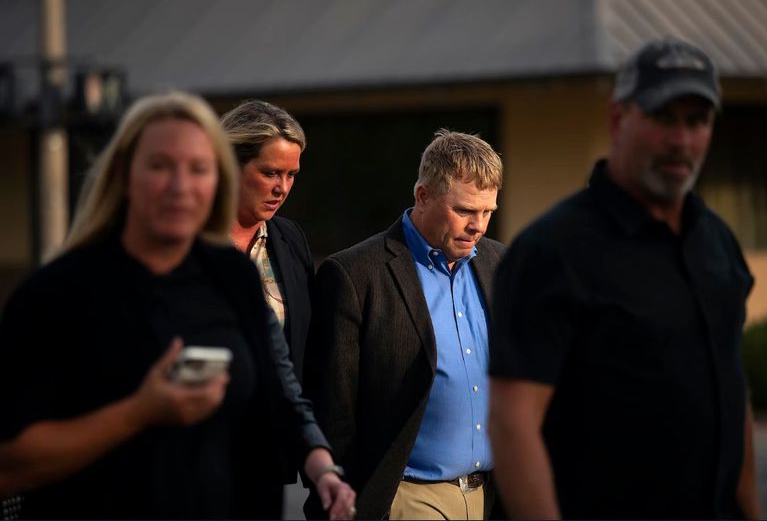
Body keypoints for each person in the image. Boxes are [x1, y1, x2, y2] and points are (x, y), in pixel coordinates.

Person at [0, 91, 355, 519]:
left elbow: (282, 386)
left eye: (198, 169)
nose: (180, 185)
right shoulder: (56, 293)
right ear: (122, 174)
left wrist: (322, 466)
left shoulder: (234, 278)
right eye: (160, 166)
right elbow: (10, 463)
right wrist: (138, 413)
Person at [489, 38, 760, 519]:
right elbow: (513, 425)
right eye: (663, 118)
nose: (681, 140)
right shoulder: (553, 252)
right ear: (619, 120)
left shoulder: (716, 243)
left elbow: (731, 392)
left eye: (696, 121)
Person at [304, 130, 506, 520]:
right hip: (407, 496)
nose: (478, 225)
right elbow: (334, 410)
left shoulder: (500, 264)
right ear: (423, 196)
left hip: (495, 495)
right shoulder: (355, 274)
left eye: (488, 212)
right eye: (465, 210)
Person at [222, 100, 313, 382]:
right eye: (270, 173)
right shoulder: (186, 240)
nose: (282, 188)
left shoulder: (291, 239)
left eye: (291, 175)